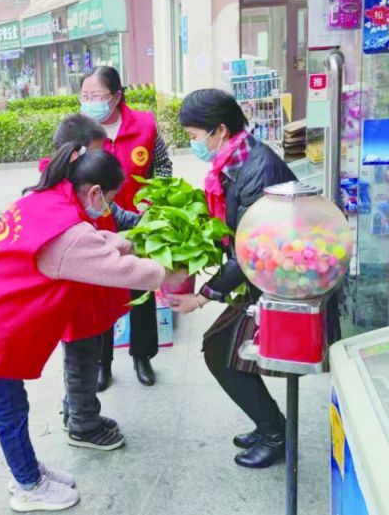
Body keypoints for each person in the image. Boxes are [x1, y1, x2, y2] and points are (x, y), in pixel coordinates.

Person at [0, 147, 187, 512]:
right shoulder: (67, 232)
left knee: (13, 405)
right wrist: (169, 274)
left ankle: (28, 469)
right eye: (109, 201)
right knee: (9, 411)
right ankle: (27, 485)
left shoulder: (44, 200)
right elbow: (117, 268)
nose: (107, 210)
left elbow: (96, 242)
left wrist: (133, 241)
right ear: (94, 192)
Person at [166, 89, 297, 470]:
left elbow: (253, 248)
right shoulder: (239, 158)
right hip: (264, 277)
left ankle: (275, 434)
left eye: (194, 136)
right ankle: (271, 426)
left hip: (279, 280)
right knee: (221, 348)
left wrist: (204, 295)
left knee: (220, 352)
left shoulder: (258, 169)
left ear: (219, 131)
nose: (194, 145)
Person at [38, 115, 140, 452]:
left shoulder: (86, 189)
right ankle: (83, 424)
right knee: (81, 360)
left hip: (95, 290)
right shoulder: (59, 197)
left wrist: (147, 224)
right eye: (97, 155)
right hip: (78, 295)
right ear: (75, 156)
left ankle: (79, 411)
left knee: (88, 356)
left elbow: (115, 216)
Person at [79, 66, 172, 389]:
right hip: (99, 224)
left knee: (141, 291)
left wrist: (153, 199)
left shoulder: (144, 124)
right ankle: (103, 363)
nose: (90, 102)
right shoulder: (81, 131)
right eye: (85, 96)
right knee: (103, 294)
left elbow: (162, 164)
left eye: (98, 96)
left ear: (117, 96)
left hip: (140, 222)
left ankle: (142, 356)